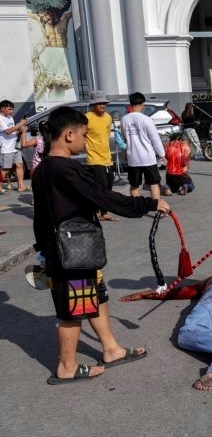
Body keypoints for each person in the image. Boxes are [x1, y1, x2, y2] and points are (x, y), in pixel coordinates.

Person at [32, 106, 170, 384]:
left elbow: (40, 216)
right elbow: (105, 198)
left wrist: (42, 248)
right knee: (73, 311)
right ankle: (67, 367)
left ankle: (111, 349)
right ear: (69, 135)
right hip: (73, 252)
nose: (86, 141)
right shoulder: (67, 169)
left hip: (68, 250)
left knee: (97, 297)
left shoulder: (43, 169)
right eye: (84, 135)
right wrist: (149, 203)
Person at [121, 92, 166, 200]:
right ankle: (157, 209)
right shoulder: (146, 119)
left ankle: (139, 208)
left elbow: (124, 137)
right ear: (142, 104)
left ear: (131, 104)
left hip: (133, 158)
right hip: (148, 158)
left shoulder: (124, 120)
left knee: (134, 185)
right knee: (154, 184)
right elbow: (155, 140)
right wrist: (162, 155)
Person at [85, 91, 118, 222]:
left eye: (104, 103)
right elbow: (81, 133)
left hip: (107, 158)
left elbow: (106, 135)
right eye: (99, 103)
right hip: (94, 158)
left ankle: (103, 212)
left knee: (109, 184)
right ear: (93, 105)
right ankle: (97, 211)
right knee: (101, 185)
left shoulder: (108, 118)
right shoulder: (87, 118)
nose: (102, 106)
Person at [0, 100, 26, 193]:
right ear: (2, 108)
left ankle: (21, 186)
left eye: (12, 109)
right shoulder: (0, 119)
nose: (11, 111)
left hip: (15, 145)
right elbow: (7, 131)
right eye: (9, 109)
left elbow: (13, 130)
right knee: (5, 168)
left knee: (19, 165)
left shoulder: (10, 118)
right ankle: (0, 187)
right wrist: (20, 124)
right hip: (6, 148)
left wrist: (19, 130)